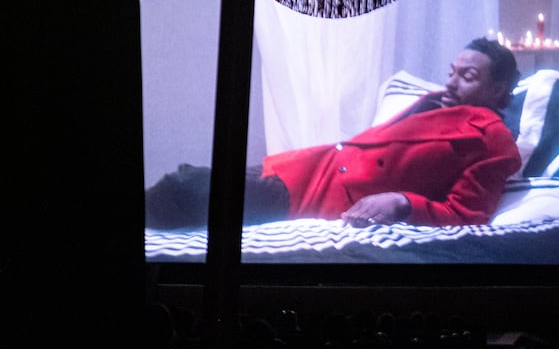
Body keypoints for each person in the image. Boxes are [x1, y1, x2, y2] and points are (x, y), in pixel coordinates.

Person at [145, 36, 522, 229]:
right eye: (451, 71)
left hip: (321, 197)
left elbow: (466, 214)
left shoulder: (494, 140)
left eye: (467, 76)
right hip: (308, 167)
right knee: (188, 179)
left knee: (183, 187)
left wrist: (402, 202)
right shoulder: (434, 103)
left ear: (498, 89)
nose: (452, 82)